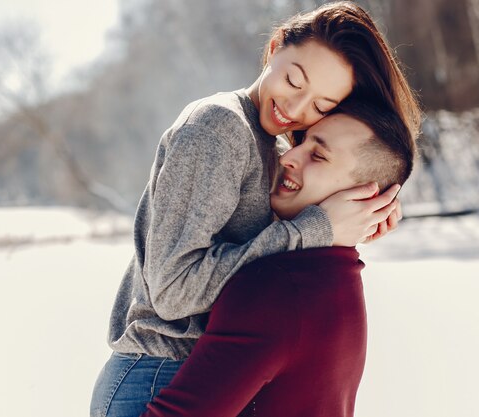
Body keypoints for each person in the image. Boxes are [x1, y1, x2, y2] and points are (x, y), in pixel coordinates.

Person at [90, 2, 422, 417]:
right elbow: (174, 292)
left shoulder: (279, 145)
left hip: (209, 377)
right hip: (156, 375)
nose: (297, 110)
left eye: (321, 106)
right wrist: (312, 231)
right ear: (274, 47)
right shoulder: (217, 127)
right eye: (293, 80)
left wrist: (360, 211)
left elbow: (271, 262)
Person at [140, 99, 415, 417]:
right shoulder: (339, 278)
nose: (288, 156)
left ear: (367, 198)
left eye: (318, 155)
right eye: (302, 141)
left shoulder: (277, 287)